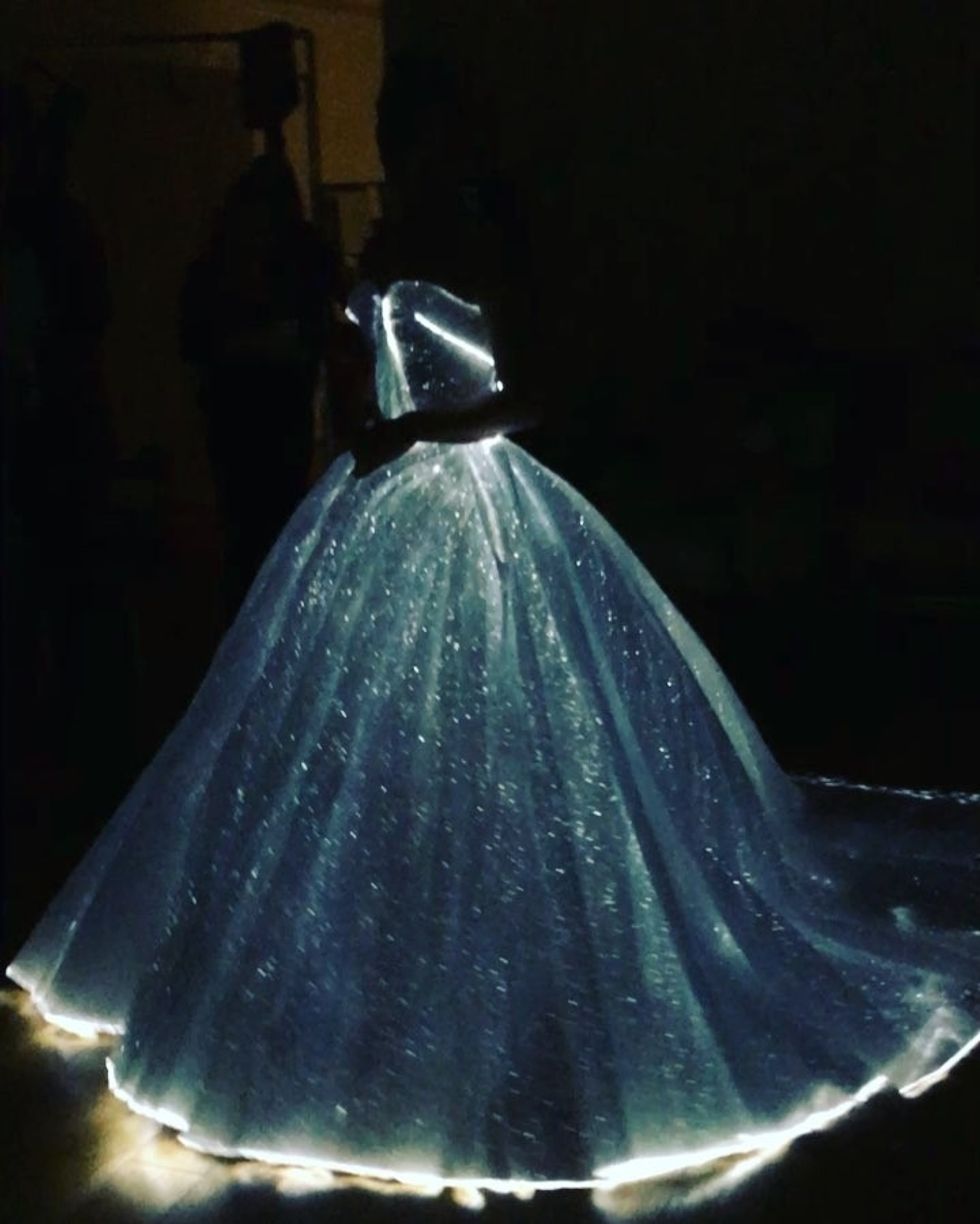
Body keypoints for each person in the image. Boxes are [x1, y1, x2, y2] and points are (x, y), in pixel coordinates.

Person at [6, 58, 978, 1192]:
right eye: (416, 135)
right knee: (330, 742)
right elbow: (358, 365)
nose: (428, 154)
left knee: (511, 731)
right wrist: (364, 399)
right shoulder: (374, 244)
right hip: (372, 504)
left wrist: (414, 430)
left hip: (467, 497)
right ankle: (347, 966)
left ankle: (506, 982)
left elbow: (531, 397)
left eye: (433, 135)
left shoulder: (481, 245)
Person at [181, 153, 338, 619]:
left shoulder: (247, 263)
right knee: (259, 529)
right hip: (254, 415)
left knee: (259, 528)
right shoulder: (240, 267)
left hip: (260, 414)